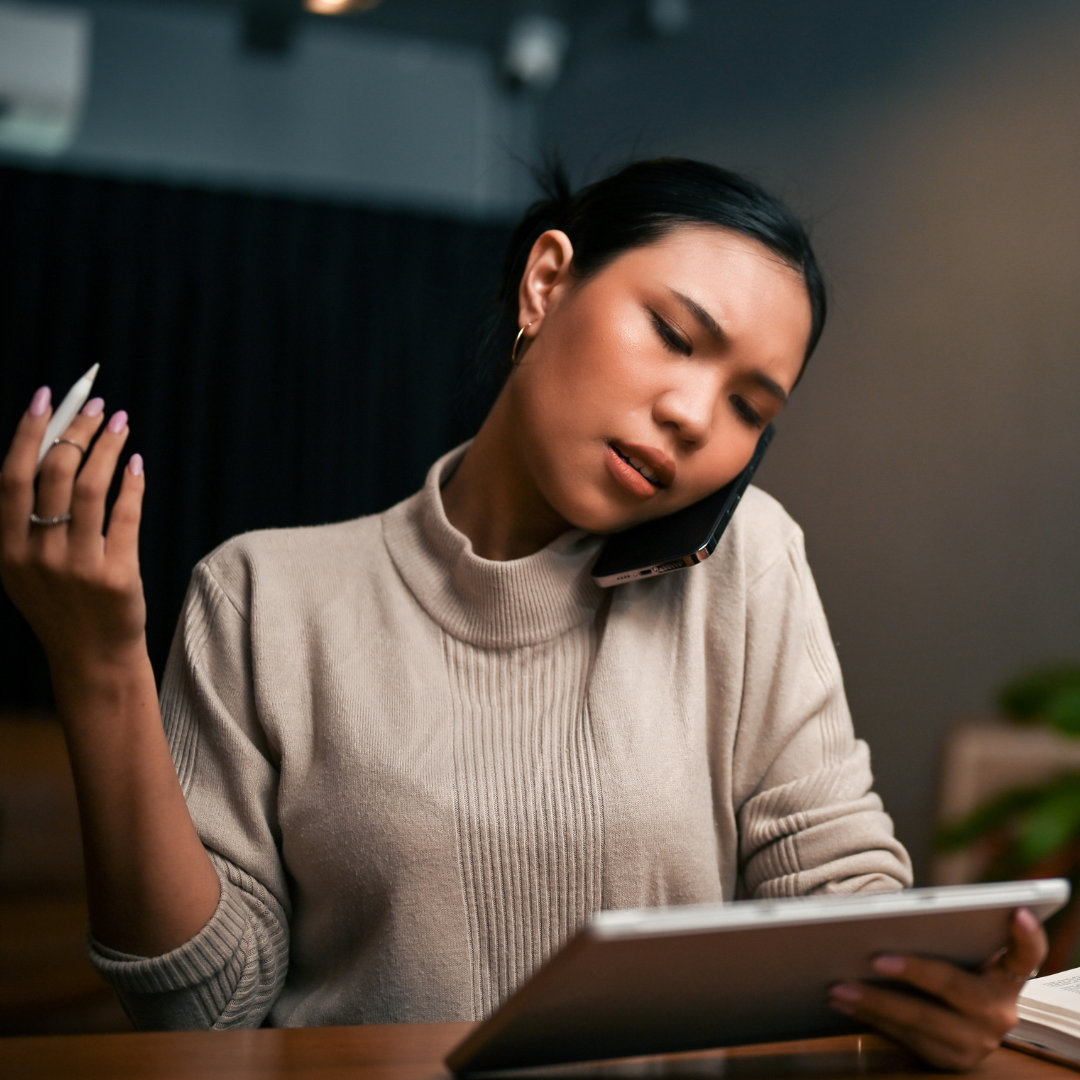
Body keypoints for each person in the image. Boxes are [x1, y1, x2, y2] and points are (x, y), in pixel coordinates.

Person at [0, 158, 1044, 1069]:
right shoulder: (263, 598)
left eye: (749, 407)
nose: (692, 416)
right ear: (547, 282)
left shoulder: (746, 559)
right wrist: (99, 667)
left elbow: (840, 890)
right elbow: (203, 1013)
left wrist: (926, 991)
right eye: (676, 336)